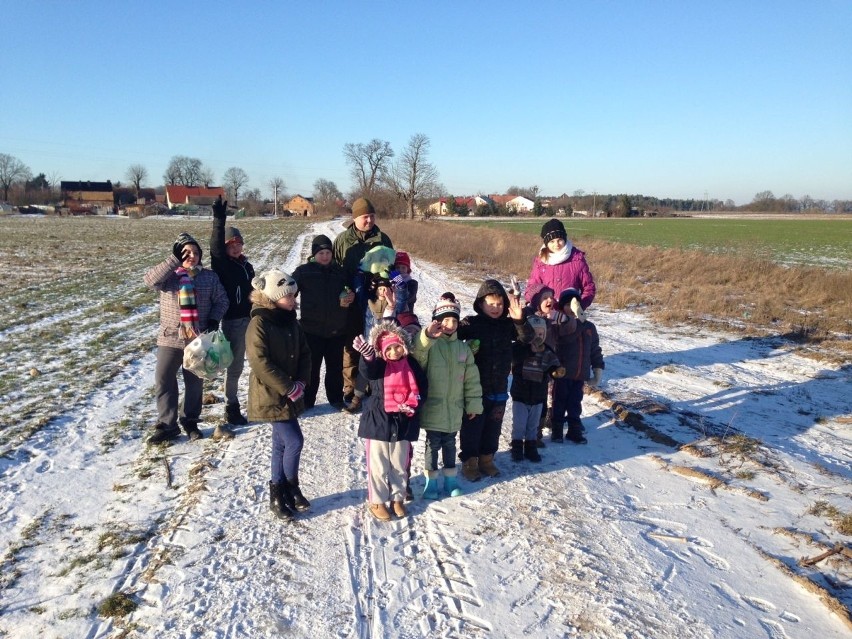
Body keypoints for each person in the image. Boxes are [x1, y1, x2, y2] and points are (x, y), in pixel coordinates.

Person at [143, 232, 229, 444]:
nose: (192, 255)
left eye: (195, 252)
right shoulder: (169, 277)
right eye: (186, 252)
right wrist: (173, 260)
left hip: (197, 338)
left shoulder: (209, 277)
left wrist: (213, 319)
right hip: (171, 337)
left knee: (194, 382)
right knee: (164, 379)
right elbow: (149, 281)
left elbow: (222, 301)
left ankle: (190, 420)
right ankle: (167, 425)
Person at [245, 269, 312, 521]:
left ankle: (277, 496)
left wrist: (303, 381)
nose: (293, 300)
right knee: (294, 441)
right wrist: (288, 386)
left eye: (294, 295)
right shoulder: (258, 323)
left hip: (290, 392)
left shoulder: (290, 320)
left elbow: (305, 352)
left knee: (280, 443)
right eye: (288, 296)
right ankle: (291, 488)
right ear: (273, 297)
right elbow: (259, 362)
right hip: (270, 395)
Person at [352, 322, 428, 521]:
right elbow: (368, 371)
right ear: (381, 351)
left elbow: (422, 389)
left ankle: (397, 499)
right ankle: (377, 500)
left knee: (399, 465)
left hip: (404, 422)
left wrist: (414, 405)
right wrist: (367, 356)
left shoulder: (411, 365)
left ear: (404, 345)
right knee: (378, 466)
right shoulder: (379, 365)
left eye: (397, 347)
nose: (394, 352)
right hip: (378, 422)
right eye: (388, 348)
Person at [457, 279, 530, 482]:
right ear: (481, 304)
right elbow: (451, 334)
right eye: (491, 304)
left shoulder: (508, 326)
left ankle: (487, 460)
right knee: (472, 427)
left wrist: (519, 320)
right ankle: (469, 462)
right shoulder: (472, 323)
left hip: (499, 388)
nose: (495, 308)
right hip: (475, 389)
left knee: (493, 427)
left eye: (499, 304)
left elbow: (527, 339)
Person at [412, 293, 482, 499]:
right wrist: (427, 335)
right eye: (445, 320)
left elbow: (471, 380)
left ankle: (450, 480)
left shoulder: (463, 348)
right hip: (434, 406)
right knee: (432, 445)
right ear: (437, 321)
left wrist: (473, 405)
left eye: (454, 320)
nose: (450, 324)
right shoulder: (430, 344)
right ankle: (431, 482)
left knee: (450, 445)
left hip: (454, 408)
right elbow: (418, 353)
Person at [332, 197, 394, 405]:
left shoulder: (382, 239)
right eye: (365, 217)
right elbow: (335, 269)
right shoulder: (342, 240)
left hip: (375, 302)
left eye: (372, 216)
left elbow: (391, 268)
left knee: (375, 341)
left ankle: (371, 384)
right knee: (352, 345)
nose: (369, 220)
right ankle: (350, 387)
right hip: (351, 300)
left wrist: (385, 283)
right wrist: (343, 292)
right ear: (355, 217)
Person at [210, 195, 255, 435]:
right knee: (235, 366)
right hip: (234, 322)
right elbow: (215, 248)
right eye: (231, 244)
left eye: (238, 243)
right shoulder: (223, 264)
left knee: (258, 362)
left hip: (252, 319)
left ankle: (258, 401)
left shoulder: (246, 266)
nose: (235, 247)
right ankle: (231, 405)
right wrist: (219, 220)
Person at [293, 234, 351, 410]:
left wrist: (350, 296)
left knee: (335, 368)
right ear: (313, 254)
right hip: (312, 330)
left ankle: (335, 399)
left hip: (336, 330)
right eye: (321, 253)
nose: (325, 256)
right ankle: (307, 400)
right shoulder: (304, 272)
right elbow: (290, 290)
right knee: (311, 368)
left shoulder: (340, 273)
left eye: (327, 252)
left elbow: (350, 290)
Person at [550, 288, 604, 444]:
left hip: (580, 374)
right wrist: (578, 321)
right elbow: (563, 341)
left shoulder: (589, 327)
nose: (571, 308)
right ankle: (557, 431)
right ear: (562, 307)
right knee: (558, 402)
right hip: (562, 373)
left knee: (575, 403)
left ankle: (574, 431)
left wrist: (597, 368)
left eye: (575, 304)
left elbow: (595, 349)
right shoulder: (559, 324)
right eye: (567, 304)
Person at [509, 315, 565, 462]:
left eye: (541, 334)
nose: (537, 337)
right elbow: (512, 359)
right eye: (533, 333)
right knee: (520, 424)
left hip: (539, 395)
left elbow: (554, 364)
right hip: (520, 393)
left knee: (533, 425)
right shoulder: (520, 348)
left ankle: (530, 447)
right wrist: (529, 349)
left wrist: (556, 371)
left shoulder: (547, 350)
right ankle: (516, 446)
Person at [525, 218, 596, 311]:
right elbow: (532, 288)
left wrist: (579, 306)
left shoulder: (577, 259)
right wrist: (533, 306)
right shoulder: (540, 262)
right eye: (552, 241)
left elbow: (588, 288)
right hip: (547, 316)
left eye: (560, 240)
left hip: (570, 316)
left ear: (565, 239)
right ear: (546, 243)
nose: (557, 244)